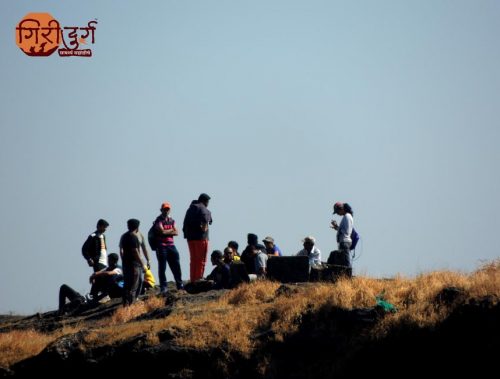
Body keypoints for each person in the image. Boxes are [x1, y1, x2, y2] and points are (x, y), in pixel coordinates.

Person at [154, 202, 184, 293]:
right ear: (161, 210)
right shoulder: (158, 220)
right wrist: (171, 230)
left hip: (171, 245)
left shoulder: (172, 220)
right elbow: (162, 232)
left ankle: (180, 284)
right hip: (161, 246)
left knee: (176, 265)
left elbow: (177, 232)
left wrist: (167, 231)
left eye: (167, 209)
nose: (166, 211)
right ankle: (163, 287)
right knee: (162, 267)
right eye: (164, 209)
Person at [182, 193, 213, 282]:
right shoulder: (203, 209)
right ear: (205, 201)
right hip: (201, 238)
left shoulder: (190, 209)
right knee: (201, 259)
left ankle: (193, 279)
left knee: (193, 260)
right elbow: (204, 225)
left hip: (190, 239)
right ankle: (199, 279)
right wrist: (204, 228)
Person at [120, 219, 146, 306]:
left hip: (126, 264)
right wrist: (142, 264)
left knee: (127, 285)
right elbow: (135, 251)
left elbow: (122, 251)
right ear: (137, 227)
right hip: (134, 265)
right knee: (134, 285)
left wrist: (123, 260)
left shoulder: (124, 236)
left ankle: (125, 304)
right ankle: (132, 304)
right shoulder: (133, 237)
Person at [330, 202, 354, 268]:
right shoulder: (346, 216)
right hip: (343, 242)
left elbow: (346, 231)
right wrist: (337, 227)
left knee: (346, 261)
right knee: (343, 262)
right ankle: (345, 276)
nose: (337, 214)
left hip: (345, 242)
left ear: (341, 209)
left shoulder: (347, 216)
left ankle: (348, 275)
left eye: (337, 212)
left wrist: (339, 229)